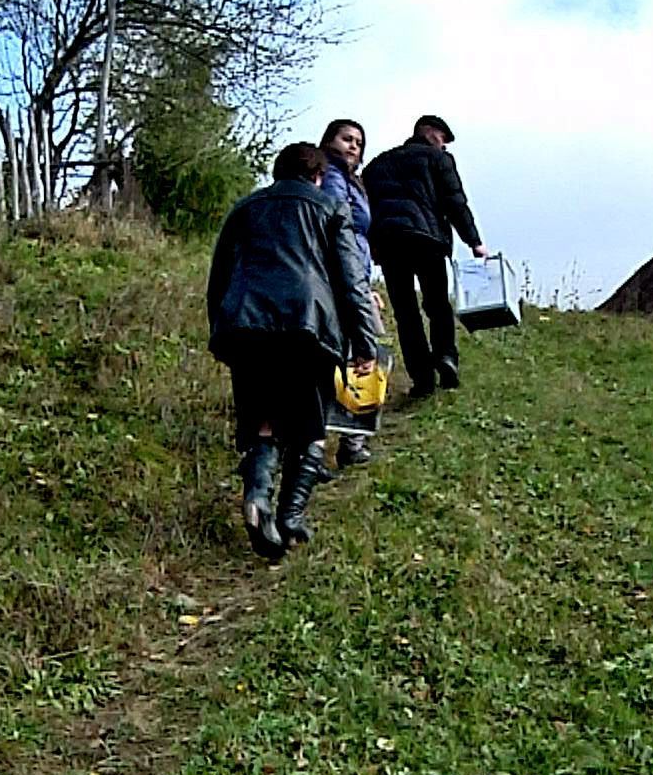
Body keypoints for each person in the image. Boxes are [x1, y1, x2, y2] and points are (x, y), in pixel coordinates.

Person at [208, 143, 378, 559]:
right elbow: (352, 281)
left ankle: (257, 497)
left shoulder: (245, 208)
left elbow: (220, 277)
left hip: (245, 325)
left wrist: (222, 327)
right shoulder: (330, 208)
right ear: (318, 175)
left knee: (263, 420)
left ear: (276, 172)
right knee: (309, 424)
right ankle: (290, 517)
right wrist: (364, 341)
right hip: (307, 327)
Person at [361, 115, 488, 399]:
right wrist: (475, 242)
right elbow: (455, 201)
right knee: (437, 303)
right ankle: (445, 356)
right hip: (425, 237)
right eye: (442, 139)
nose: (443, 146)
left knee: (406, 312)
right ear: (430, 132)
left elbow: (363, 206)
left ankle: (422, 378)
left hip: (389, 242)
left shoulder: (377, 164)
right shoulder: (437, 159)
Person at [317, 117, 380, 469]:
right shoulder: (330, 177)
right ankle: (346, 438)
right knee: (358, 351)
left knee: (358, 351)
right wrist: (355, 284)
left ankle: (348, 436)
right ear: (330, 140)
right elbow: (335, 226)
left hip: (355, 274)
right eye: (346, 138)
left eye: (359, 141)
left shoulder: (352, 182)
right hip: (339, 276)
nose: (353, 146)